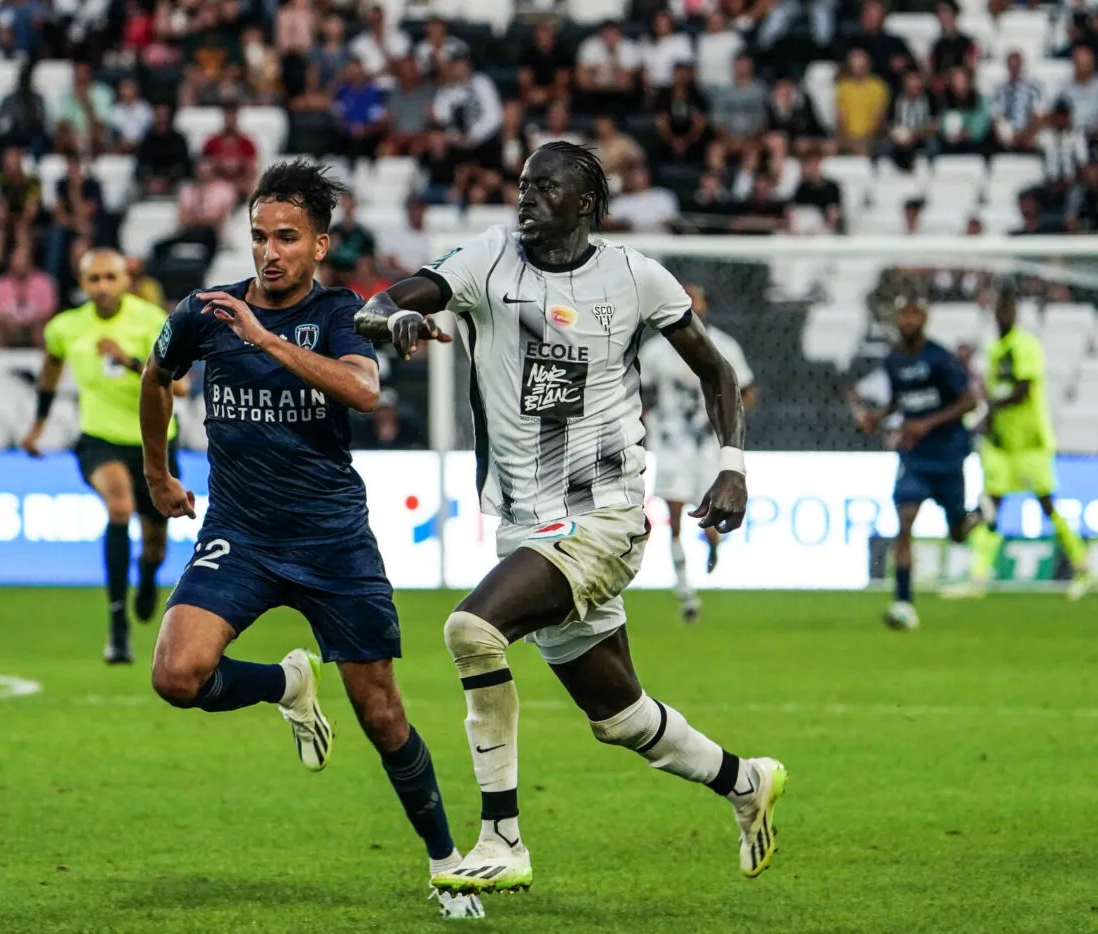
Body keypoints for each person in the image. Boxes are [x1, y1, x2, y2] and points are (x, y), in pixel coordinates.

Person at [353, 142, 784, 894]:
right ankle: (744, 781)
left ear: (585, 201)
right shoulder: (485, 260)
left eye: (544, 187)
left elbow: (715, 370)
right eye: (521, 186)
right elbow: (381, 302)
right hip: (524, 522)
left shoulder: (635, 275)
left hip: (605, 515)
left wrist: (733, 466)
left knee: (471, 629)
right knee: (618, 715)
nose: (525, 198)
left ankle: (502, 836)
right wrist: (393, 323)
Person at [139, 160, 483, 920]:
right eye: (260, 236)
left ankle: (447, 864)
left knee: (383, 716)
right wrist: (159, 477)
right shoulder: (205, 310)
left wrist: (264, 339)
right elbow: (155, 375)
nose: (270, 251)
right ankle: (286, 686)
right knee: (176, 675)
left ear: (320, 245)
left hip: (332, 541)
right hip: (241, 532)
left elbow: (363, 389)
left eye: (287, 238)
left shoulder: (339, 313)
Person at [22, 249, 182, 663]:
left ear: (125, 279)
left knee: (155, 545)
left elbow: (179, 387)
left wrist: (129, 361)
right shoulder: (66, 327)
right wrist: (38, 424)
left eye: (110, 277)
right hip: (99, 438)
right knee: (119, 506)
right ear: (82, 282)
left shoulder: (150, 320)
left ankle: (147, 574)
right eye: (94, 279)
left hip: (154, 443)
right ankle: (118, 628)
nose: (102, 287)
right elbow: (52, 368)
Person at [949, 285, 1092, 599]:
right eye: (1000, 310)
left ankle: (1083, 567)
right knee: (990, 507)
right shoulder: (996, 350)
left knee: (1048, 506)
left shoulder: (1025, 346)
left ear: (1015, 314)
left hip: (1030, 443)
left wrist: (988, 407)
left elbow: (1022, 390)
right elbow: (994, 391)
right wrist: (986, 422)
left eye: (1009, 310)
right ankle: (977, 578)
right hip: (1002, 445)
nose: (1004, 315)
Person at [850, 294, 977, 629]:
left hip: (948, 454)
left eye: (913, 315)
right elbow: (899, 398)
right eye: (902, 315)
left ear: (924, 318)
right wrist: (878, 417)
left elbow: (968, 402)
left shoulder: (940, 358)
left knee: (959, 532)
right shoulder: (893, 360)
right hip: (915, 457)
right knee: (904, 524)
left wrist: (927, 424)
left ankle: (978, 516)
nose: (907, 321)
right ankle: (904, 603)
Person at [640, 284, 757, 622]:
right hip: (672, 443)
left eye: (697, 298)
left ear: (706, 305)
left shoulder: (724, 346)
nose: (691, 304)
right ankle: (685, 589)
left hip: (709, 447)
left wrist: (727, 420)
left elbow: (746, 391)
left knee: (711, 513)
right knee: (674, 516)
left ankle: (712, 544)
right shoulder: (656, 351)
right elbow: (638, 390)